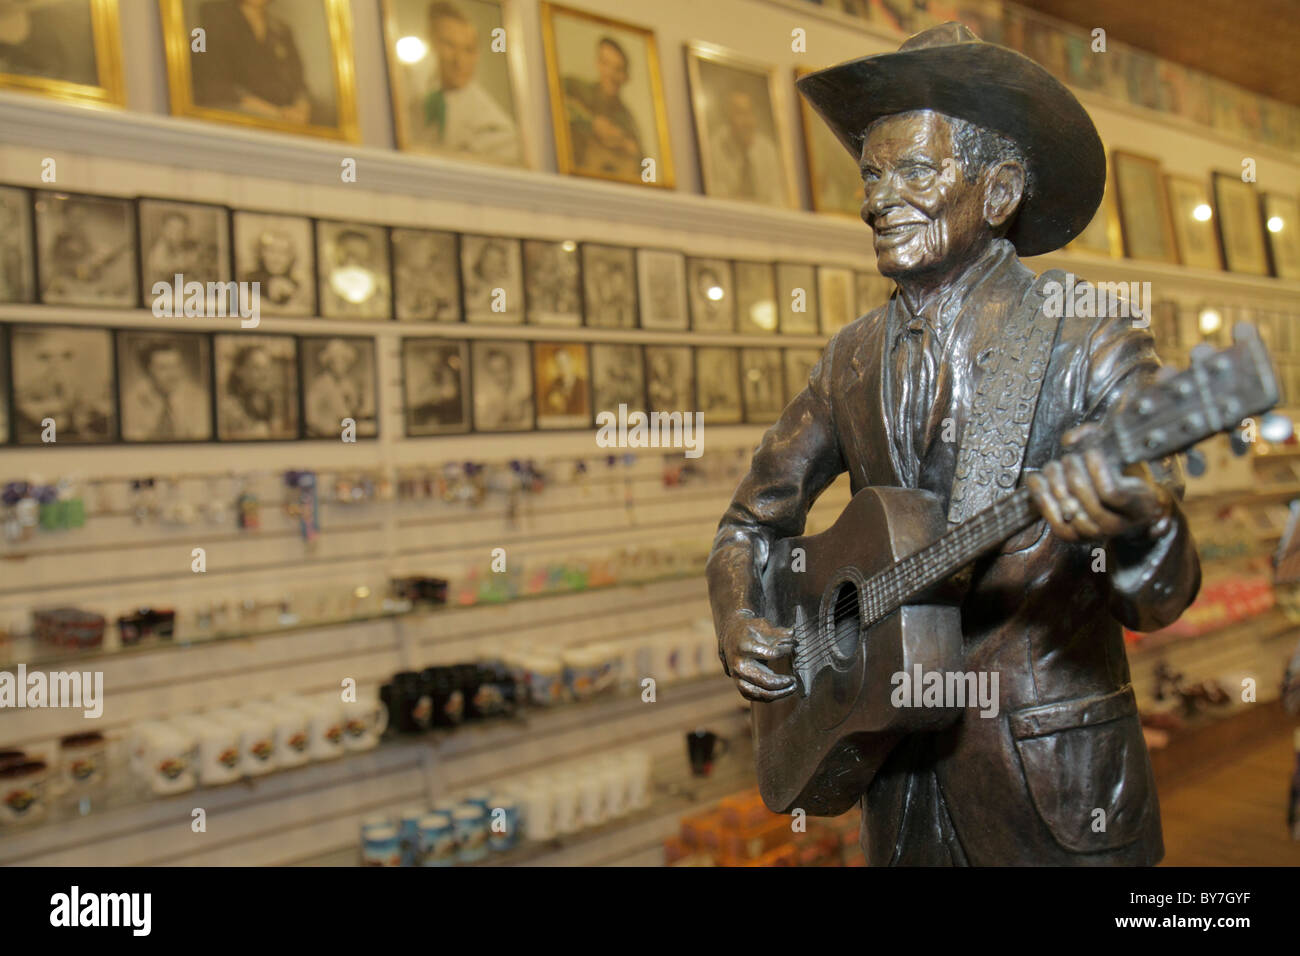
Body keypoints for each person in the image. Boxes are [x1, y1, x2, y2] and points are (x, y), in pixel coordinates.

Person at [707, 24, 1200, 866]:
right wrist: (740, 615)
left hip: (1051, 792)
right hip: (897, 786)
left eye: (915, 171)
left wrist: (1140, 520)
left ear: (999, 190)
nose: (877, 199)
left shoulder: (1084, 340)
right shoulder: (850, 358)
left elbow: (1158, 596)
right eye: (871, 174)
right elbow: (749, 526)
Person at [408, 1, 520, 165]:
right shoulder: (417, 103)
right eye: (450, 45)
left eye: (468, 49)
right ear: (432, 44)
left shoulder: (494, 126)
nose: (459, 61)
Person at [192, 0, 312, 125]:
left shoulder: (281, 30)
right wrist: (277, 113)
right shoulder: (215, 16)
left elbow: (299, 83)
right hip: (237, 112)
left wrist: (301, 109)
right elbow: (216, 84)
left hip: (284, 113)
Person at [562, 36, 642, 180]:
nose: (610, 74)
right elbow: (555, 103)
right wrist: (592, 124)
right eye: (606, 64)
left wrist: (630, 150)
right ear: (597, 64)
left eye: (618, 69)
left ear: (626, 77)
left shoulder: (627, 120)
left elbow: (649, 171)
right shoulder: (575, 88)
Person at [706, 86, 786, 206]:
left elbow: (779, 199)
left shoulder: (768, 151)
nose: (747, 122)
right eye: (740, 113)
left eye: (750, 113)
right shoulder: (712, 150)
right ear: (727, 117)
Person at [122, 339, 210, 441]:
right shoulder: (130, 403)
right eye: (163, 368)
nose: (172, 375)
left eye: (176, 366)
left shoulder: (199, 399)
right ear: (146, 370)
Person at [220, 343, 286, 438]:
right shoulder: (228, 409)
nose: (264, 375)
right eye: (257, 368)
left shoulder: (273, 403)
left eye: (267, 368)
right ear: (240, 371)